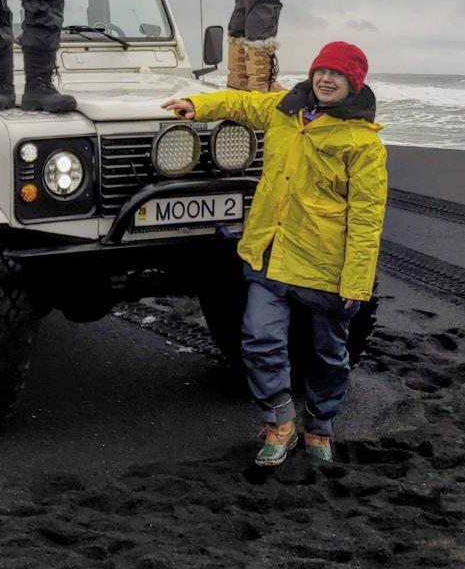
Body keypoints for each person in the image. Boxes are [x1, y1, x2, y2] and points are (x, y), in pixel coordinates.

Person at [161, 41, 387, 466]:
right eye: (322, 71)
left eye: (336, 75)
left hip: (324, 267)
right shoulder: (285, 110)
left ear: (353, 84)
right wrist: (196, 102)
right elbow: (242, 104)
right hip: (268, 254)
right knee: (259, 341)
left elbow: (366, 220)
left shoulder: (362, 144)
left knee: (327, 357)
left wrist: (356, 282)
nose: (325, 79)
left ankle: (319, 428)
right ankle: (280, 423)